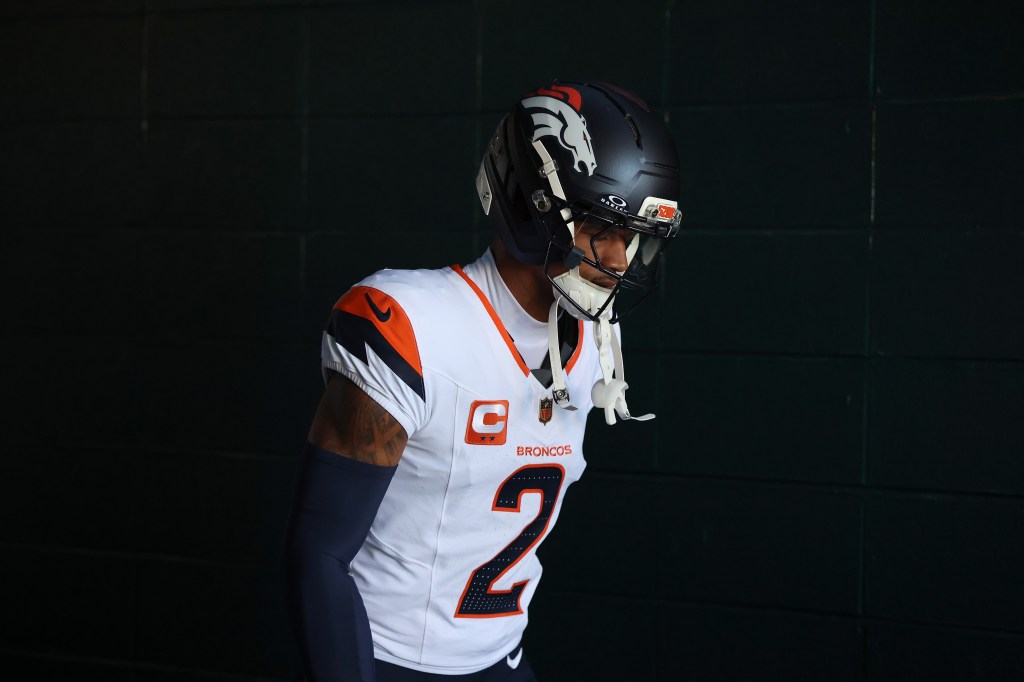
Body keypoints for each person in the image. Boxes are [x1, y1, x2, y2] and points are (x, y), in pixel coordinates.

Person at [284, 80, 682, 681]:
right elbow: (318, 555)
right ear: (533, 204)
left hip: (502, 660)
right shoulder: (411, 325)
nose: (621, 261)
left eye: (632, 238)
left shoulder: (599, 342)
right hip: (386, 660)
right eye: (602, 230)